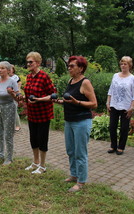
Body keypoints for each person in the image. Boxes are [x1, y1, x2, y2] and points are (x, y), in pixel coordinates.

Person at [53, 56, 97, 192]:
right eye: (69, 65)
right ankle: (73, 175)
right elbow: (69, 100)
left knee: (80, 152)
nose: (69, 68)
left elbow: (94, 104)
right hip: (69, 121)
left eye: (72, 66)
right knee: (70, 150)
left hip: (82, 122)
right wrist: (60, 101)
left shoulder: (85, 83)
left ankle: (81, 181)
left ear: (81, 68)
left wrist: (77, 102)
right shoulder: (70, 81)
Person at [23, 52, 56, 174]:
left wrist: (39, 99)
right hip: (32, 114)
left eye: (31, 62)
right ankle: (35, 162)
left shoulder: (44, 76)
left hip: (43, 114)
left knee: (42, 139)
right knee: (33, 139)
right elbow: (27, 94)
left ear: (38, 63)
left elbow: (52, 95)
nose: (28, 64)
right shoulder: (29, 77)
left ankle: (42, 166)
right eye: (27, 62)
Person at [106, 56, 134, 155]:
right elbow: (111, 90)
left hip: (126, 106)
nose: (123, 66)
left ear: (129, 65)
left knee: (124, 128)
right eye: (122, 64)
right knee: (112, 126)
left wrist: (132, 107)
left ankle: (121, 147)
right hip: (114, 104)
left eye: (125, 64)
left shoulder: (132, 78)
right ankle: (113, 145)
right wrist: (108, 102)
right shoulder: (115, 76)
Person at [9, 64, 22, 131]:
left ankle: (17, 125)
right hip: (7, 97)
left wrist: (18, 96)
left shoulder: (16, 78)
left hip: (14, 96)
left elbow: (18, 88)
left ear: (13, 70)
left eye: (10, 69)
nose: (9, 70)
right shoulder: (5, 77)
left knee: (14, 111)